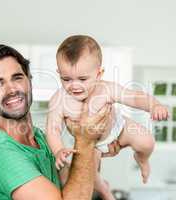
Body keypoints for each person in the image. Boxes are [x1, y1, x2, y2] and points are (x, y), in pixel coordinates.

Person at [0, 44, 119, 200]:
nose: (12, 89)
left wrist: (96, 146)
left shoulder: (40, 139)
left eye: (17, 78)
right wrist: (85, 140)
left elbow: (82, 189)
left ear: (30, 81)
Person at [46, 35, 169, 200]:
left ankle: (142, 159)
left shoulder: (106, 89)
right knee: (89, 175)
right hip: (92, 145)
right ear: (59, 73)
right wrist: (58, 150)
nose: (74, 85)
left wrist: (154, 105)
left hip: (120, 129)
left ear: (99, 74)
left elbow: (134, 97)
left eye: (82, 79)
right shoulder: (59, 100)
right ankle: (106, 193)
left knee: (147, 142)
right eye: (66, 79)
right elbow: (52, 129)